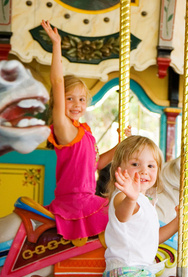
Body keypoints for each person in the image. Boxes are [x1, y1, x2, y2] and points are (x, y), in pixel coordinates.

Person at [41, 20, 131, 241]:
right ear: (59, 101)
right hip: (73, 202)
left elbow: (96, 164)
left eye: (81, 99)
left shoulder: (84, 132)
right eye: (69, 98)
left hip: (86, 198)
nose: (76, 104)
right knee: (120, 217)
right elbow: (57, 80)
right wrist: (56, 45)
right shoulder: (63, 128)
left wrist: (120, 144)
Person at [99, 135, 188, 277]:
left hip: (138, 275)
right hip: (125, 275)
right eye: (136, 164)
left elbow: (154, 239)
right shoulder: (123, 197)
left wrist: (179, 221)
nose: (144, 170)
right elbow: (123, 214)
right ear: (120, 169)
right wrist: (131, 198)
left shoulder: (145, 201)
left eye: (151, 166)